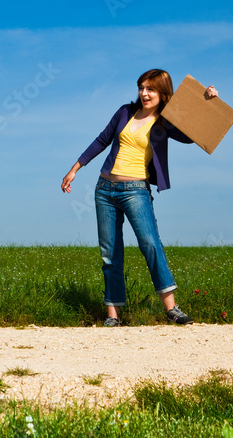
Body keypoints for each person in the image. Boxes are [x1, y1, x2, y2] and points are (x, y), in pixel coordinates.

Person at [61, 69, 217, 327]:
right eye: (141, 88)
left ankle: (172, 309)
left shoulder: (165, 122)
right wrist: (75, 169)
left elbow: (192, 135)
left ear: (163, 93)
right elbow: (101, 140)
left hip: (136, 190)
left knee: (150, 244)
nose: (144, 93)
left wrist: (207, 101)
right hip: (105, 189)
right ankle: (113, 315)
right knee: (110, 253)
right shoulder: (125, 112)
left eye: (151, 89)